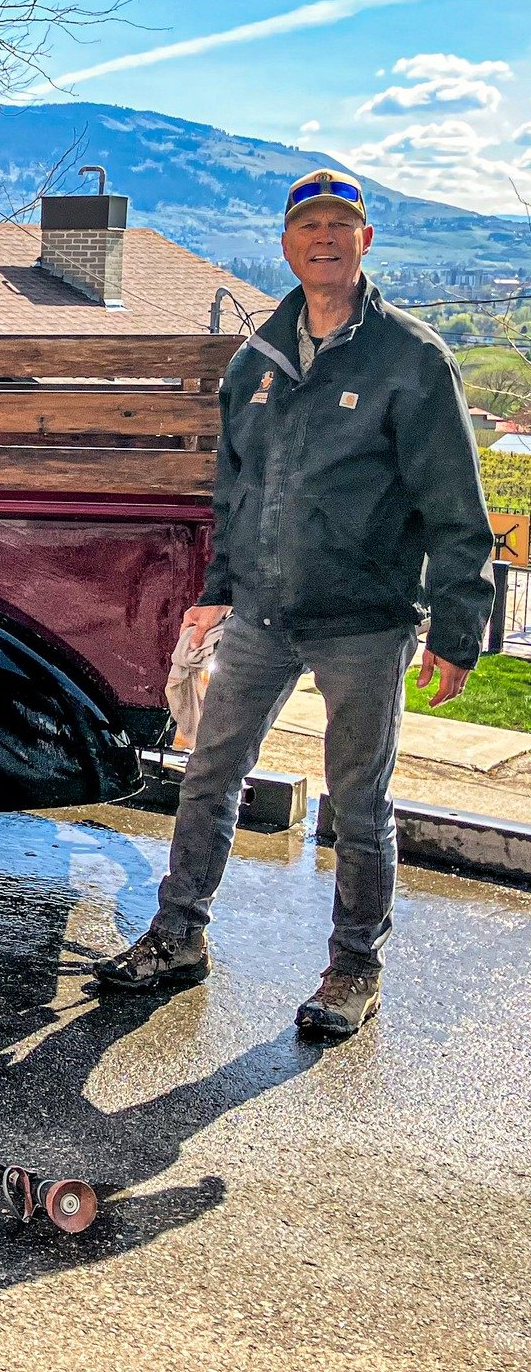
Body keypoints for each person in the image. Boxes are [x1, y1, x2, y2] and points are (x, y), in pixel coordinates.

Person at [94, 167, 492, 1038]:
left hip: (365, 621)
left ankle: (354, 966)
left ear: (365, 241)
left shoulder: (413, 361)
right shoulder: (258, 362)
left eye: (340, 225)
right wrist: (217, 594)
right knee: (209, 775)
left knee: (360, 802)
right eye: (308, 225)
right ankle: (177, 933)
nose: (324, 238)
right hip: (264, 614)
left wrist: (459, 630)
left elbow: (457, 509)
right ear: (285, 244)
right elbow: (235, 496)